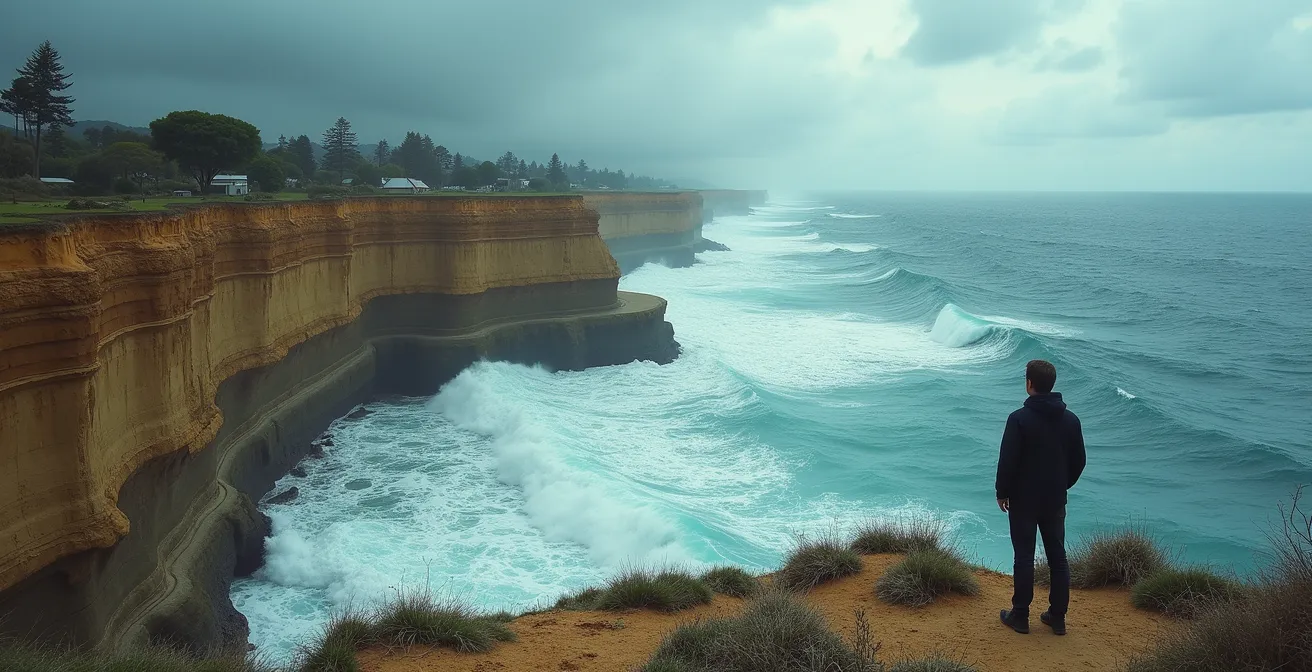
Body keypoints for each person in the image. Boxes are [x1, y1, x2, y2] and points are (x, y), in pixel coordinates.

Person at [996, 359, 1086, 635]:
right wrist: (1062, 485)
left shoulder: (1019, 419)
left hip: (1023, 501)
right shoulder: (1071, 420)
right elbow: (1079, 461)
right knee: (1058, 557)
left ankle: (1020, 615)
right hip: (1055, 499)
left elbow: (1008, 460)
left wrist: (1003, 491)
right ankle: (1057, 617)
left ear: (1029, 384)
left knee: (1024, 556)